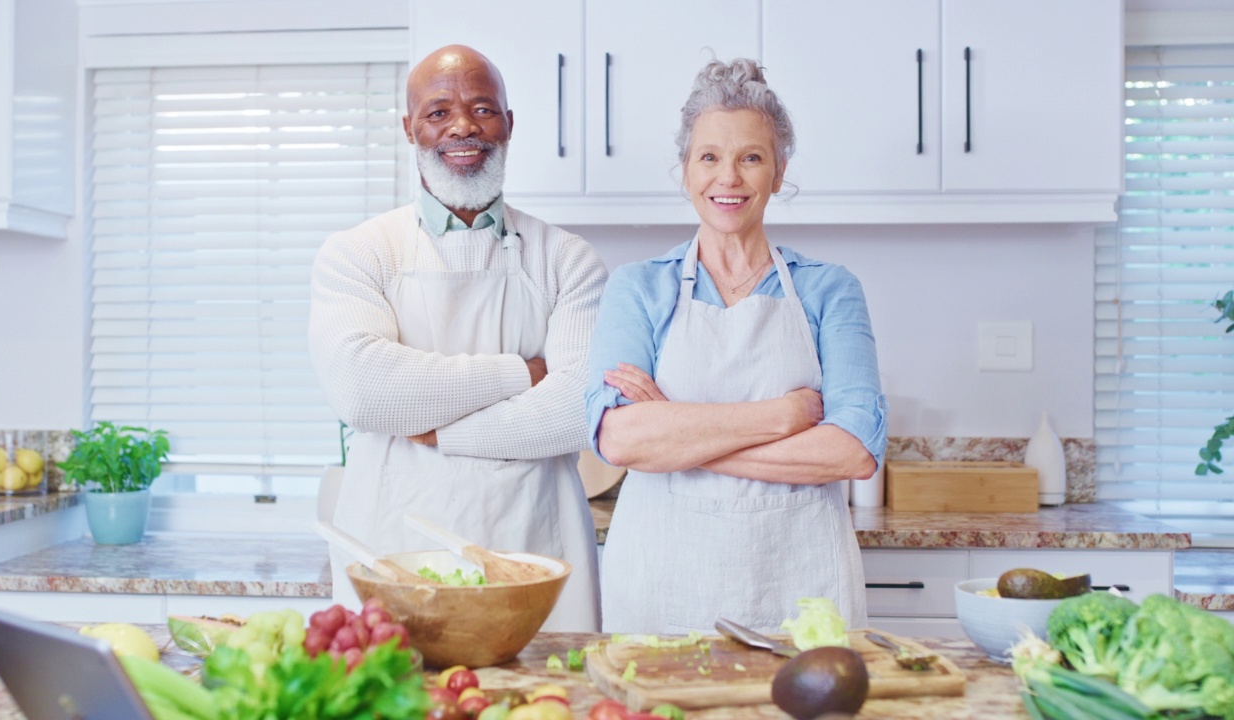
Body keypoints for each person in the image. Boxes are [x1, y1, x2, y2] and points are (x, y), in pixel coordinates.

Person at [309, 45, 607, 632]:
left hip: (533, 546)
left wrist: (435, 429)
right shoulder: (358, 252)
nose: (463, 126)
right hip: (394, 545)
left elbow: (576, 409)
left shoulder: (568, 259)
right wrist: (521, 374)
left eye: (482, 109)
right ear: (410, 128)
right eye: (439, 111)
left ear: (509, 123)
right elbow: (365, 392)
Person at [585, 58, 887, 634]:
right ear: (685, 170)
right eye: (709, 157)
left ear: (778, 171)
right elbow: (620, 439)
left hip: (801, 592)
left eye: (751, 157)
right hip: (662, 584)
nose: (729, 177)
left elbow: (851, 452)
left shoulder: (831, 290)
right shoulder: (638, 287)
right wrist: (783, 416)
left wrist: (676, 435)